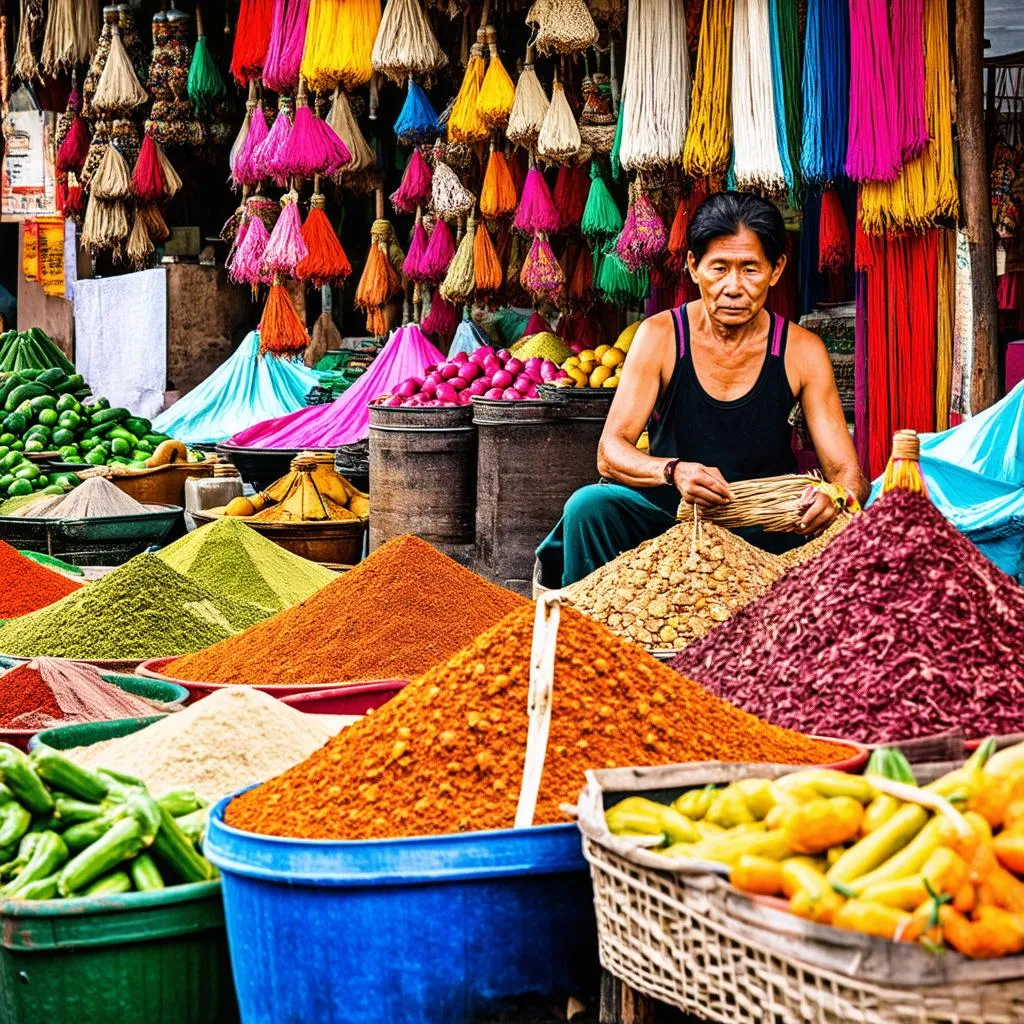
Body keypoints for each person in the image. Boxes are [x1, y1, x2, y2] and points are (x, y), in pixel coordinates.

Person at [538, 190, 870, 589]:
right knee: (589, 507)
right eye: (719, 268)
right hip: (669, 515)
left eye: (750, 269)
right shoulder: (660, 336)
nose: (734, 286)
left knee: (853, 530)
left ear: (776, 269)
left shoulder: (802, 350)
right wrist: (673, 471)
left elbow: (846, 471)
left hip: (763, 525)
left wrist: (837, 497)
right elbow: (610, 453)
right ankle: (594, 638)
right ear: (693, 267)